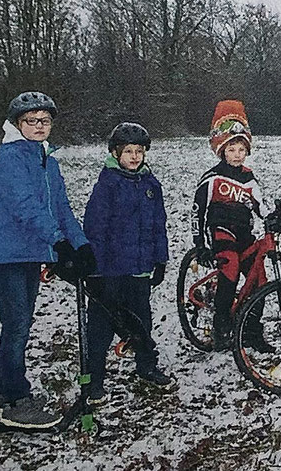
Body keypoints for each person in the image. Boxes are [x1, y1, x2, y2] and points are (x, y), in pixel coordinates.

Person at [0, 92, 96, 428]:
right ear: (18, 124)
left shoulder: (48, 161)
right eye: (32, 120)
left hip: (28, 252)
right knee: (16, 324)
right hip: (5, 253)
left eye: (45, 120)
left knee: (21, 323)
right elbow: (26, 207)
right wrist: (57, 241)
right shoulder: (11, 158)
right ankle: (9, 399)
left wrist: (80, 244)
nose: (40, 126)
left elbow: (61, 210)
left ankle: (12, 389)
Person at [82, 122, 172, 405]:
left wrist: (160, 259)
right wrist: (93, 270)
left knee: (141, 319)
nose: (134, 157)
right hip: (110, 270)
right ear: (115, 153)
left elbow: (159, 224)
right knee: (102, 325)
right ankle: (94, 378)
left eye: (139, 151)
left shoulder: (150, 184)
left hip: (140, 267)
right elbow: (95, 229)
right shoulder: (107, 185)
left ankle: (146, 365)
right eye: (128, 151)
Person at [191, 100, 269, 351]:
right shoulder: (212, 178)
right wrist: (200, 244)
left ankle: (252, 331)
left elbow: (260, 206)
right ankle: (221, 323)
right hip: (221, 232)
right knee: (231, 270)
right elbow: (197, 212)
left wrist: (273, 216)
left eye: (241, 150)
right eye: (231, 149)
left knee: (260, 280)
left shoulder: (249, 178)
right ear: (222, 150)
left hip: (244, 233)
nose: (237, 155)